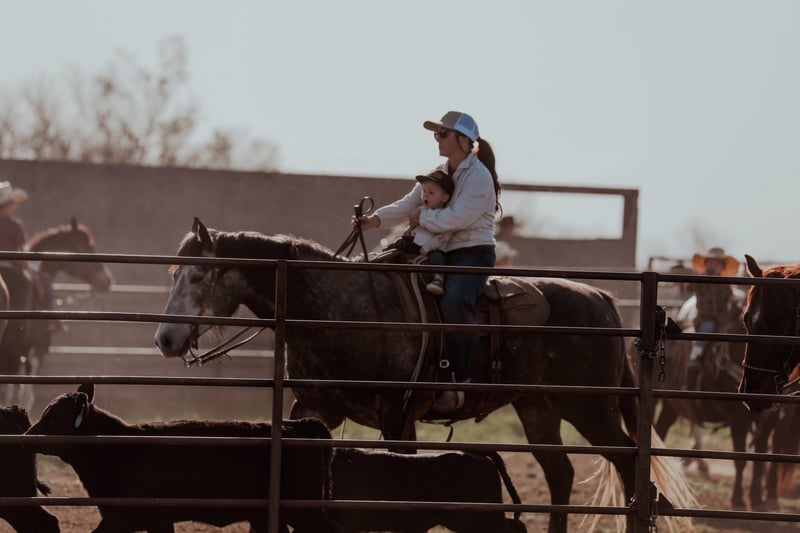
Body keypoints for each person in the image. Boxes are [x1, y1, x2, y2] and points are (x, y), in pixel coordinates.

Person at [356, 110, 501, 413]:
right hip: (440, 249)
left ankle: (459, 380)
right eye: (437, 134)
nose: (437, 139)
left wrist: (421, 217)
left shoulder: (479, 177)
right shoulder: (440, 171)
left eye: (443, 134)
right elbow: (409, 204)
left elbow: (456, 218)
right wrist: (375, 220)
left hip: (472, 253)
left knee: (454, 303)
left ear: (464, 140)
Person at [384, 169, 455, 295]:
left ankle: (438, 279)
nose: (425, 196)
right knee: (396, 246)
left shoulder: (445, 217)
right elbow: (413, 226)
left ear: (444, 197)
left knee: (438, 257)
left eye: (431, 193)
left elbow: (442, 238)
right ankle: (381, 262)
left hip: (430, 248)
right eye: (424, 191)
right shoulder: (420, 210)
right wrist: (407, 232)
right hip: (414, 242)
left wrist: (427, 248)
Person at [687, 247, 739, 362]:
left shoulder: (725, 283)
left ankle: (731, 359)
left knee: (736, 329)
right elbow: (689, 287)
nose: (713, 266)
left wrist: (733, 301)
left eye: (717, 264)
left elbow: (729, 297)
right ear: (705, 265)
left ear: (722, 267)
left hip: (722, 319)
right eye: (710, 263)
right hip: (705, 318)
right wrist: (701, 277)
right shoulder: (701, 280)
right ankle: (695, 355)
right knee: (707, 329)